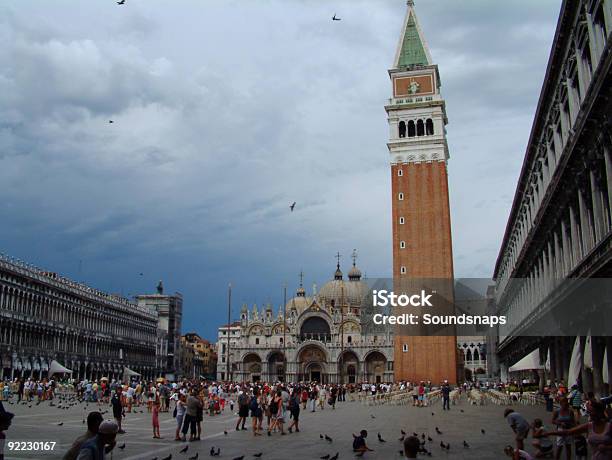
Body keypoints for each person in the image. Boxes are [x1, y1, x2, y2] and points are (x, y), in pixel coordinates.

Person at [545, 401, 612, 460]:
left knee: (568, 447)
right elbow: (568, 432)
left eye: (592, 411)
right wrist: (550, 433)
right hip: (595, 457)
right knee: (561, 446)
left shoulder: (609, 426)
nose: (590, 414)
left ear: (599, 413)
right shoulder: (589, 426)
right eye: (589, 412)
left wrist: (607, 447)